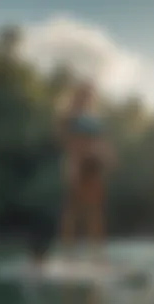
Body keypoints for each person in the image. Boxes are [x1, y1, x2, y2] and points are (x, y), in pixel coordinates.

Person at [56, 81, 116, 264]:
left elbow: (100, 141)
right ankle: (68, 254)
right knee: (73, 209)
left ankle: (96, 254)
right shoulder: (70, 117)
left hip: (93, 164)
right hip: (78, 163)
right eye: (86, 95)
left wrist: (109, 157)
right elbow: (68, 142)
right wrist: (72, 165)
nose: (89, 98)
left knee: (95, 210)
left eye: (90, 95)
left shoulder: (93, 118)